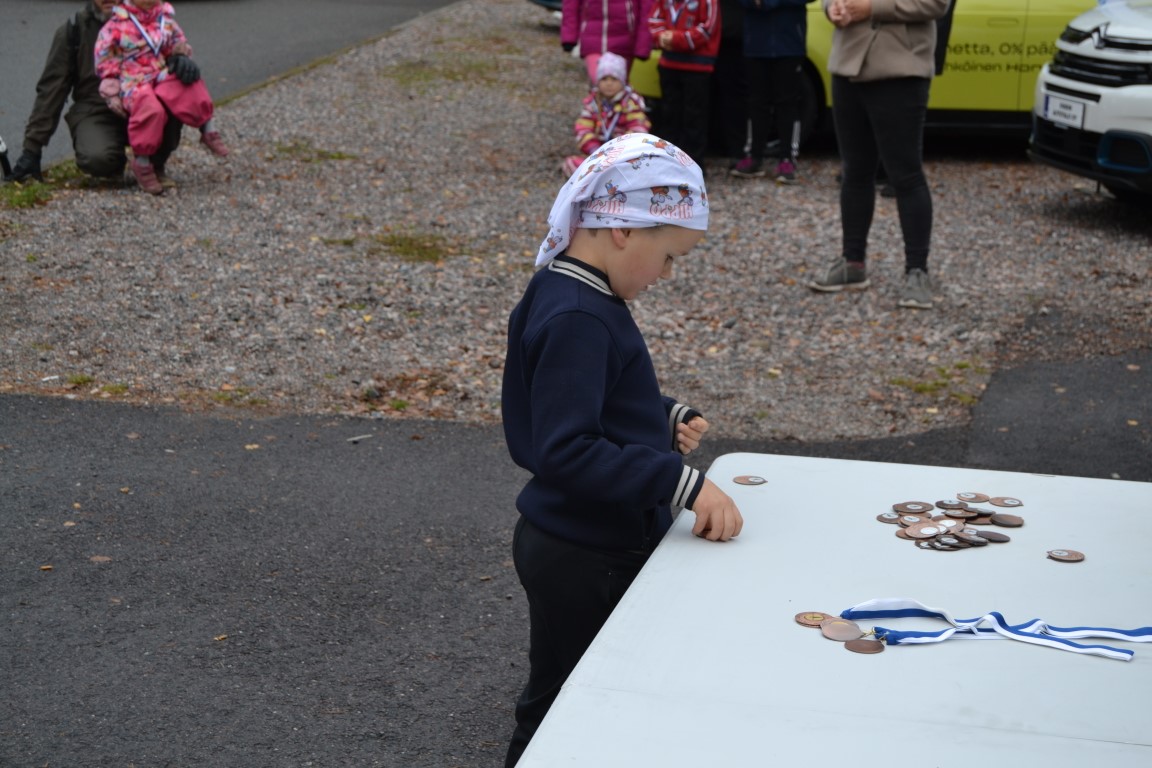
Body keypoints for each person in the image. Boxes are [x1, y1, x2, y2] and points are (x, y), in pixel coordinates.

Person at [501, 132, 744, 766]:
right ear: (623, 229)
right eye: (669, 257)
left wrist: (660, 417)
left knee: (568, 689)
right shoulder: (581, 317)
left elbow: (581, 399)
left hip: (574, 540)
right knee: (578, 701)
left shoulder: (569, 291)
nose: (667, 274)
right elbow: (568, 448)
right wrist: (681, 482)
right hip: (587, 552)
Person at [808, 0, 950, 309]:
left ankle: (917, 272)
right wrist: (832, 8)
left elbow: (937, 4)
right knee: (854, 171)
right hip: (848, 66)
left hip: (901, 71)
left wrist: (872, 8)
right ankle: (853, 262)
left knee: (906, 175)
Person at [4, 0, 182, 186]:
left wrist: (179, 59)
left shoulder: (155, 19)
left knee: (174, 99)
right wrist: (32, 150)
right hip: (97, 109)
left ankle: (154, 163)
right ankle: (114, 166)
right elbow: (51, 89)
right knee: (97, 158)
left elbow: (177, 46)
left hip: (146, 105)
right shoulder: (75, 28)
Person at [94, 0, 229, 195]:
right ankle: (142, 162)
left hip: (158, 71)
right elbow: (105, 58)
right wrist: (111, 88)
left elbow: (176, 42)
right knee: (150, 109)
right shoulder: (116, 25)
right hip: (133, 80)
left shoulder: (164, 19)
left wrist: (180, 55)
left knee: (187, 84)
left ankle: (208, 129)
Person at [730, 0, 814, 184]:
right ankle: (754, 156)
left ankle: (787, 158)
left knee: (788, 103)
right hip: (756, 43)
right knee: (756, 102)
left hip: (789, 44)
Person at [649, 0, 722, 168]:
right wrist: (661, 36)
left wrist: (675, 39)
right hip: (669, 63)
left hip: (698, 66)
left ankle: (693, 166)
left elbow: (707, 29)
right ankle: (667, 164)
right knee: (669, 115)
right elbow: (654, 18)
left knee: (694, 118)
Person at [562, 52, 652, 177]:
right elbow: (583, 128)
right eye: (604, 79)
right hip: (598, 154)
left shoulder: (631, 103)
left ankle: (601, 178)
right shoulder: (593, 103)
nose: (609, 83)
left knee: (638, 168)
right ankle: (601, 178)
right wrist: (593, 148)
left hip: (623, 155)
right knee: (571, 163)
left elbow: (638, 129)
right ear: (597, 81)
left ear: (623, 81)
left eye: (614, 79)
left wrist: (618, 151)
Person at [561, 0, 655, 85]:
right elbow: (570, 5)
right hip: (593, 38)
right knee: (600, 81)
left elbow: (647, 10)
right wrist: (569, 36)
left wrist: (643, 45)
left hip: (625, 42)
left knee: (619, 84)